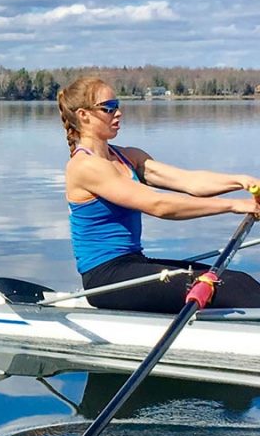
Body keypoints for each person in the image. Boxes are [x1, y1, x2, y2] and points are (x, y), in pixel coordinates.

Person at [57, 76, 260, 313]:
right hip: (105, 279)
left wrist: (243, 181)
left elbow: (189, 181)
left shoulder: (128, 157)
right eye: (109, 108)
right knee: (235, 289)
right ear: (84, 115)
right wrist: (235, 206)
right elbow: (160, 205)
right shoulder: (85, 167)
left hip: (134, 264)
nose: (118, 113)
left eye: (118, 105)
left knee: (241, 280)